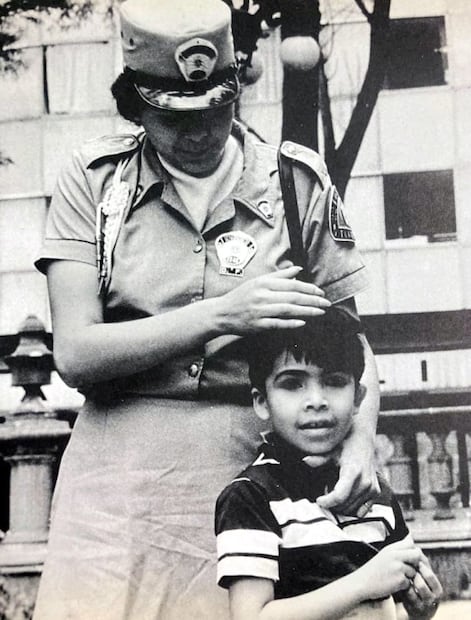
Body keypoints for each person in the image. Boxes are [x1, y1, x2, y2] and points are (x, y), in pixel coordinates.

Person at [33, 0, 381, 618]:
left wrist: (360, 441)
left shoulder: (294, 181)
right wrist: (223, 315)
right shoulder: (95, 181)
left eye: (214, 110)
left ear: (235, 94)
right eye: (173, 117)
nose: (196, 133)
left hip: (259, 475)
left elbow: (349, 344)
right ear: (135, 105)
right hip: (117, 485)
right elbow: (77, 353)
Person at [215, 312, 443, 620]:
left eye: (334, 382)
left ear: (358, 397)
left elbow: (405, 591)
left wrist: (423, 604)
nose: (316, 400)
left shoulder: (373, 491)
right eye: (293, 384)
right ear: (261, 401)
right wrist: (363, 583)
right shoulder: (251, 496)